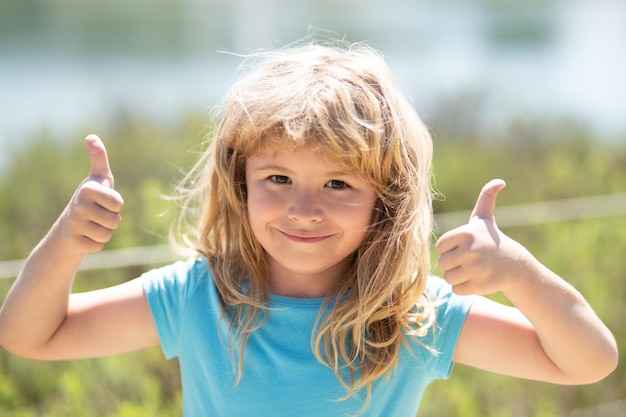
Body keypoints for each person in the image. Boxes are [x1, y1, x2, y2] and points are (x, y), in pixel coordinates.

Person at [0, 40, 618, 417]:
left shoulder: (411, 318)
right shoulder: (197, 296)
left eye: (339, 184)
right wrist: (67, 243)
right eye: (277, 179)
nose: (303, 209)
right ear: (239, 184)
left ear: (388, 200)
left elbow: (586, 363)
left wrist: (516, 271)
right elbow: (32, 337)